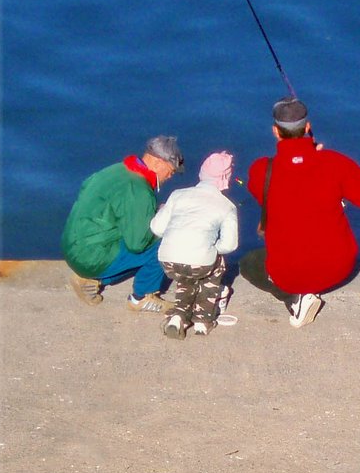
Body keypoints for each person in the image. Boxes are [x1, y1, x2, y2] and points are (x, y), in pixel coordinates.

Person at [239, 97, 360, 328]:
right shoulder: (334, 163)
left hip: (290, 275)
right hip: (340, 268)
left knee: (248, 263)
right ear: (307, 128)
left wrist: (307, 159)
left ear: (275, 131)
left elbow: (270, 195)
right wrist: (318, 158)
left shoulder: (261, 170)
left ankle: (294, 297)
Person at [62, 135, 184, 312]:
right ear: (158, 163)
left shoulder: (116, 170)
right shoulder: (140, 190)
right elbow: (138, 245)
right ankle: (142, 297)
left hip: (73, 245)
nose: (170, 177)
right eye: (170, 171)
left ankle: (91, 279)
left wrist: (150, 212)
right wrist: (164, 219)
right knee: (166, 241)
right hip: (90, 257)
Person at [149, 151, 239, 340]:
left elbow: (156, 228)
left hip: (168, 261)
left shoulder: (178, 195)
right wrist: (212, 248)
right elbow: (230, 245)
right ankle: (202, 321)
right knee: (214, 264)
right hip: (200, 264)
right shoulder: (227, 206)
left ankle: (178, 318)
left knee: (186, 274)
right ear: (225, 178)